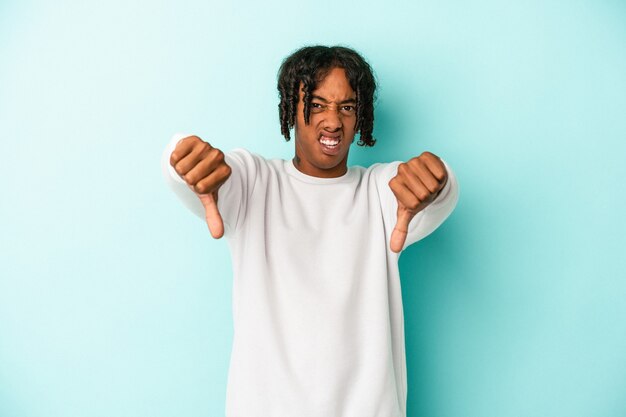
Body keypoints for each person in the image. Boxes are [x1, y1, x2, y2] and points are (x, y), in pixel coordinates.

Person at [162, 45, 459, 417]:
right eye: (317, 105)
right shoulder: (256, 182)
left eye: (347, 107)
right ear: (290, 109)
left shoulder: (380, 192)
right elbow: (208, 170)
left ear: (360, 116)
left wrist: (438, 177)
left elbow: (432, 192)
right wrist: (182, 158)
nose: (333, 121)